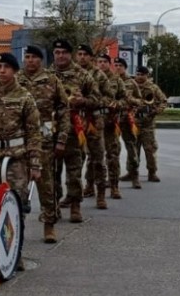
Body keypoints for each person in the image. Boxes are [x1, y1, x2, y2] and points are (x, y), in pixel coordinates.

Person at [0, 53, 42, 264]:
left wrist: (35, 163)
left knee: (16, 206)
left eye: (6, 66)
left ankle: (15, 253)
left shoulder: (25, 97)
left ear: (14, 70)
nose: (2, 70)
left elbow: (33, 132)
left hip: (16, 158)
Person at [20, 45, 69, 243]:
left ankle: (49, 224)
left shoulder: (51, 80)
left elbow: (64, 110)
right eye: (27, 57)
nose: (29, 60)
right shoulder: (17, 80)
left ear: (41, 60)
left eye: (33, 57)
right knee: (19, 185)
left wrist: (62, 138)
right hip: (20, 140)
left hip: (45, 139)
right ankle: (17, 224)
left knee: (46, 184)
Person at [50, 39, 98, 223]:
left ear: (70, 54)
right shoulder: (47, 75)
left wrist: (83, 102)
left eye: (64, 52)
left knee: (74, 171)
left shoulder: (83, 75)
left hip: (74, 130)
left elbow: (97, 99)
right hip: (51, 131)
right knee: (52, 172)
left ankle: (75, 205)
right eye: (57, 52)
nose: (60, 56)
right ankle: (53, 205)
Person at [76, 43, 112, 209]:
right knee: (75, 160)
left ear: (90, 57)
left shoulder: (99, 75)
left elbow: (108, 97)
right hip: (76, 121)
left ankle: (101, 195)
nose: (82, 57)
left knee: (98, 159)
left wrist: (91, 102)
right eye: (79, 54)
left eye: (85, 54)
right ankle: (76, 194)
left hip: (94, 121)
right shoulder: (73, 73)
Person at [97, 53, 125, 199]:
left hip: (111, 123)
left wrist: (118, 104)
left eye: (104, 62)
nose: (101, 64)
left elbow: (125, 99)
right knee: (93, 157)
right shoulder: (91, 77)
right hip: (94, 123)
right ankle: (91, 185)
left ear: (109, 64)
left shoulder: (116, 80)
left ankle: (114, 186)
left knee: (113, 155)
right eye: (99, 62)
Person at [133, 65, 168, 181]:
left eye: (142, 74)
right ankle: (132, 173)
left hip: (148, 124)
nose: (139, 77)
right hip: (133, 123)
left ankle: (152, 172)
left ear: (146, 75)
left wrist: (155, 111)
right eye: (137, 74)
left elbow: (163, 101)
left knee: (150, 149)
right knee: (133, 150)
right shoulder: (130, 86)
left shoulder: (153, 88)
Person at [114, 58, 144, 189]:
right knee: (113, 149)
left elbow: (139, 99)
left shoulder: (131, 82)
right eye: (115, 65)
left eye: (120, 65)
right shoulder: (110, 81)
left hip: (127, 118)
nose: (117, 67)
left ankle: (134, 175)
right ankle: (112, 177)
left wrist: (133, 110)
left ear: (125, 67)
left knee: (131, 147)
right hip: (113, 119)